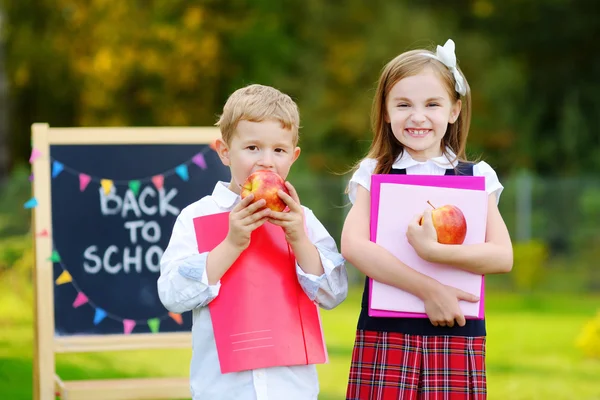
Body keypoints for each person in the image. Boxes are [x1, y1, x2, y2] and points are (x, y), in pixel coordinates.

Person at [341, 39, 513, 399]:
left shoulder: (476, 175)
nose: (417, 116)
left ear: (454, 110)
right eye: (403, 104)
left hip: (457, 329)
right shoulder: (374, 172)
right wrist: (429, 289)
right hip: (385, 331)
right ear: (385, 111)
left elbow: (502, 256)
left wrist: (434, 252)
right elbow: (353, 246)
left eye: (432, 104)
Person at [158, 84, 348, 400]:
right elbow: (172, 295)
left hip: (291, 390)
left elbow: (334, 293)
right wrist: (231, 243)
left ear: (294, 156)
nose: (266, 162)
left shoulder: (301, 219)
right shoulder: (197, 217)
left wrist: (299, 238)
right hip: (222, 390)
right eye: (252, 148)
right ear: (224, 151)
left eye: (279, 150)